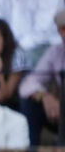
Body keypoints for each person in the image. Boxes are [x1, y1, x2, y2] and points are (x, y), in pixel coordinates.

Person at [18, 9, 65, 144]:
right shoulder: (56, 51)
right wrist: (44, 96)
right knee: (30, 103)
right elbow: (27, 85)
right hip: (61, 115)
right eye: (62, 29)